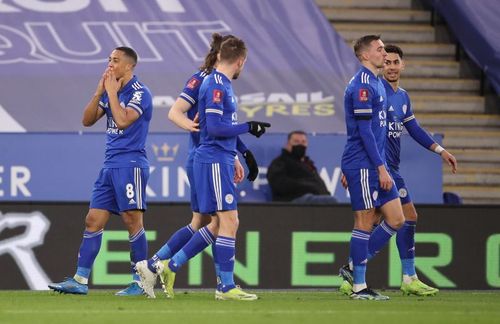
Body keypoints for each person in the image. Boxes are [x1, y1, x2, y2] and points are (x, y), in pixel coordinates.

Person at [135, 33, 260, 298]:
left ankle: (157, 265)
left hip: (215, 154)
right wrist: (193, 127)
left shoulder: (218, 81)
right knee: (219, 220)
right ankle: (173, 268)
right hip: (205, 156)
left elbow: (221, 124)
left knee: (207, 220)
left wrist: (239, 154)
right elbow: (175, 112)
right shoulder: (205, 79)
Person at [339, 44, 457, 296]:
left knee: (401, 217)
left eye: (395, 62)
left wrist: (440, 150)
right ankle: (367, 274)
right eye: (387, 60)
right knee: (375, 219)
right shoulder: (373, 88)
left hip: (388, 167)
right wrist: (350, 165)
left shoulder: (402, 96)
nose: (391, 66)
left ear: (403, 65)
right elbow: (362, 130)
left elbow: (413, 129)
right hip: (377, 166)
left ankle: (389, 275)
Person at [48, 47, 153, 296]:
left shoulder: (141, 93)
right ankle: (80, 280)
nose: (109, 65)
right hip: (109, 165)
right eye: (108, 60)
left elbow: (123, 120)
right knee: (93, 219)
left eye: (115, 61)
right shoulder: (109, 91)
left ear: (129, 66)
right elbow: (86, 120)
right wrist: (99, 92)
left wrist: (113, 94)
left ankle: (140, 283)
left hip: (131, 164)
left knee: (132, 220)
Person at [339, 35, 406, 300]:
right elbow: (364, 131)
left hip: (375, 163)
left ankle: (353, 266)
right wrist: (380, 167)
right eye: (379, 49)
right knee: (365, 221)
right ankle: (359, 287)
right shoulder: (362, 86)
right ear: (365, 55)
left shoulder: (376, 83)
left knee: (396, 219)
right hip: (364, 164)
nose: (383, 52)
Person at [267, 130, 337, 204]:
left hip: (313, 201)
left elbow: (320, 186)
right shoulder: (280, 162)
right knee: (331, 201)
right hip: (291, 201)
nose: (300, 145)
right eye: (296, 141)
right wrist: (308, 187)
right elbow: (279, 184)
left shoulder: (309, 165)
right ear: (287, 144)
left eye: (303, 142)